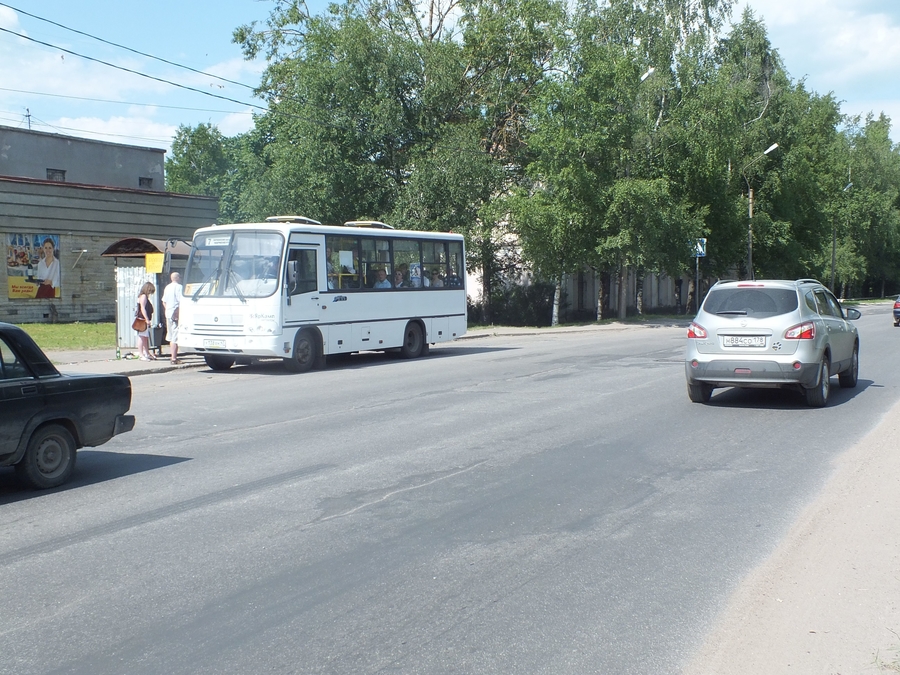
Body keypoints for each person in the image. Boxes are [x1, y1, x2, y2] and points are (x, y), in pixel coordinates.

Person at [161, 272, 183, 364]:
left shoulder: (167, 287)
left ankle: (173, 356)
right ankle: (174, 358)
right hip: (176, 314)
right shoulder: (179, 287)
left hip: (168, 313)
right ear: (177, 278)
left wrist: (168, 310)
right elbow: (181, 301)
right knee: (175, 336)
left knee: (170, 335)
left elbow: (164, 301)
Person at [136, 281, 156, 361]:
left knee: (145, 337)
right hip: (142, 319)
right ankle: (141, 354)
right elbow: (142, 308)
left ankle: (147, 353)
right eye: (150, 291)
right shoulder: (143, 296)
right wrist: (147, 319)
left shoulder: (144, 296)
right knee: (141, 337)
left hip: (144, 319)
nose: (150, 293)